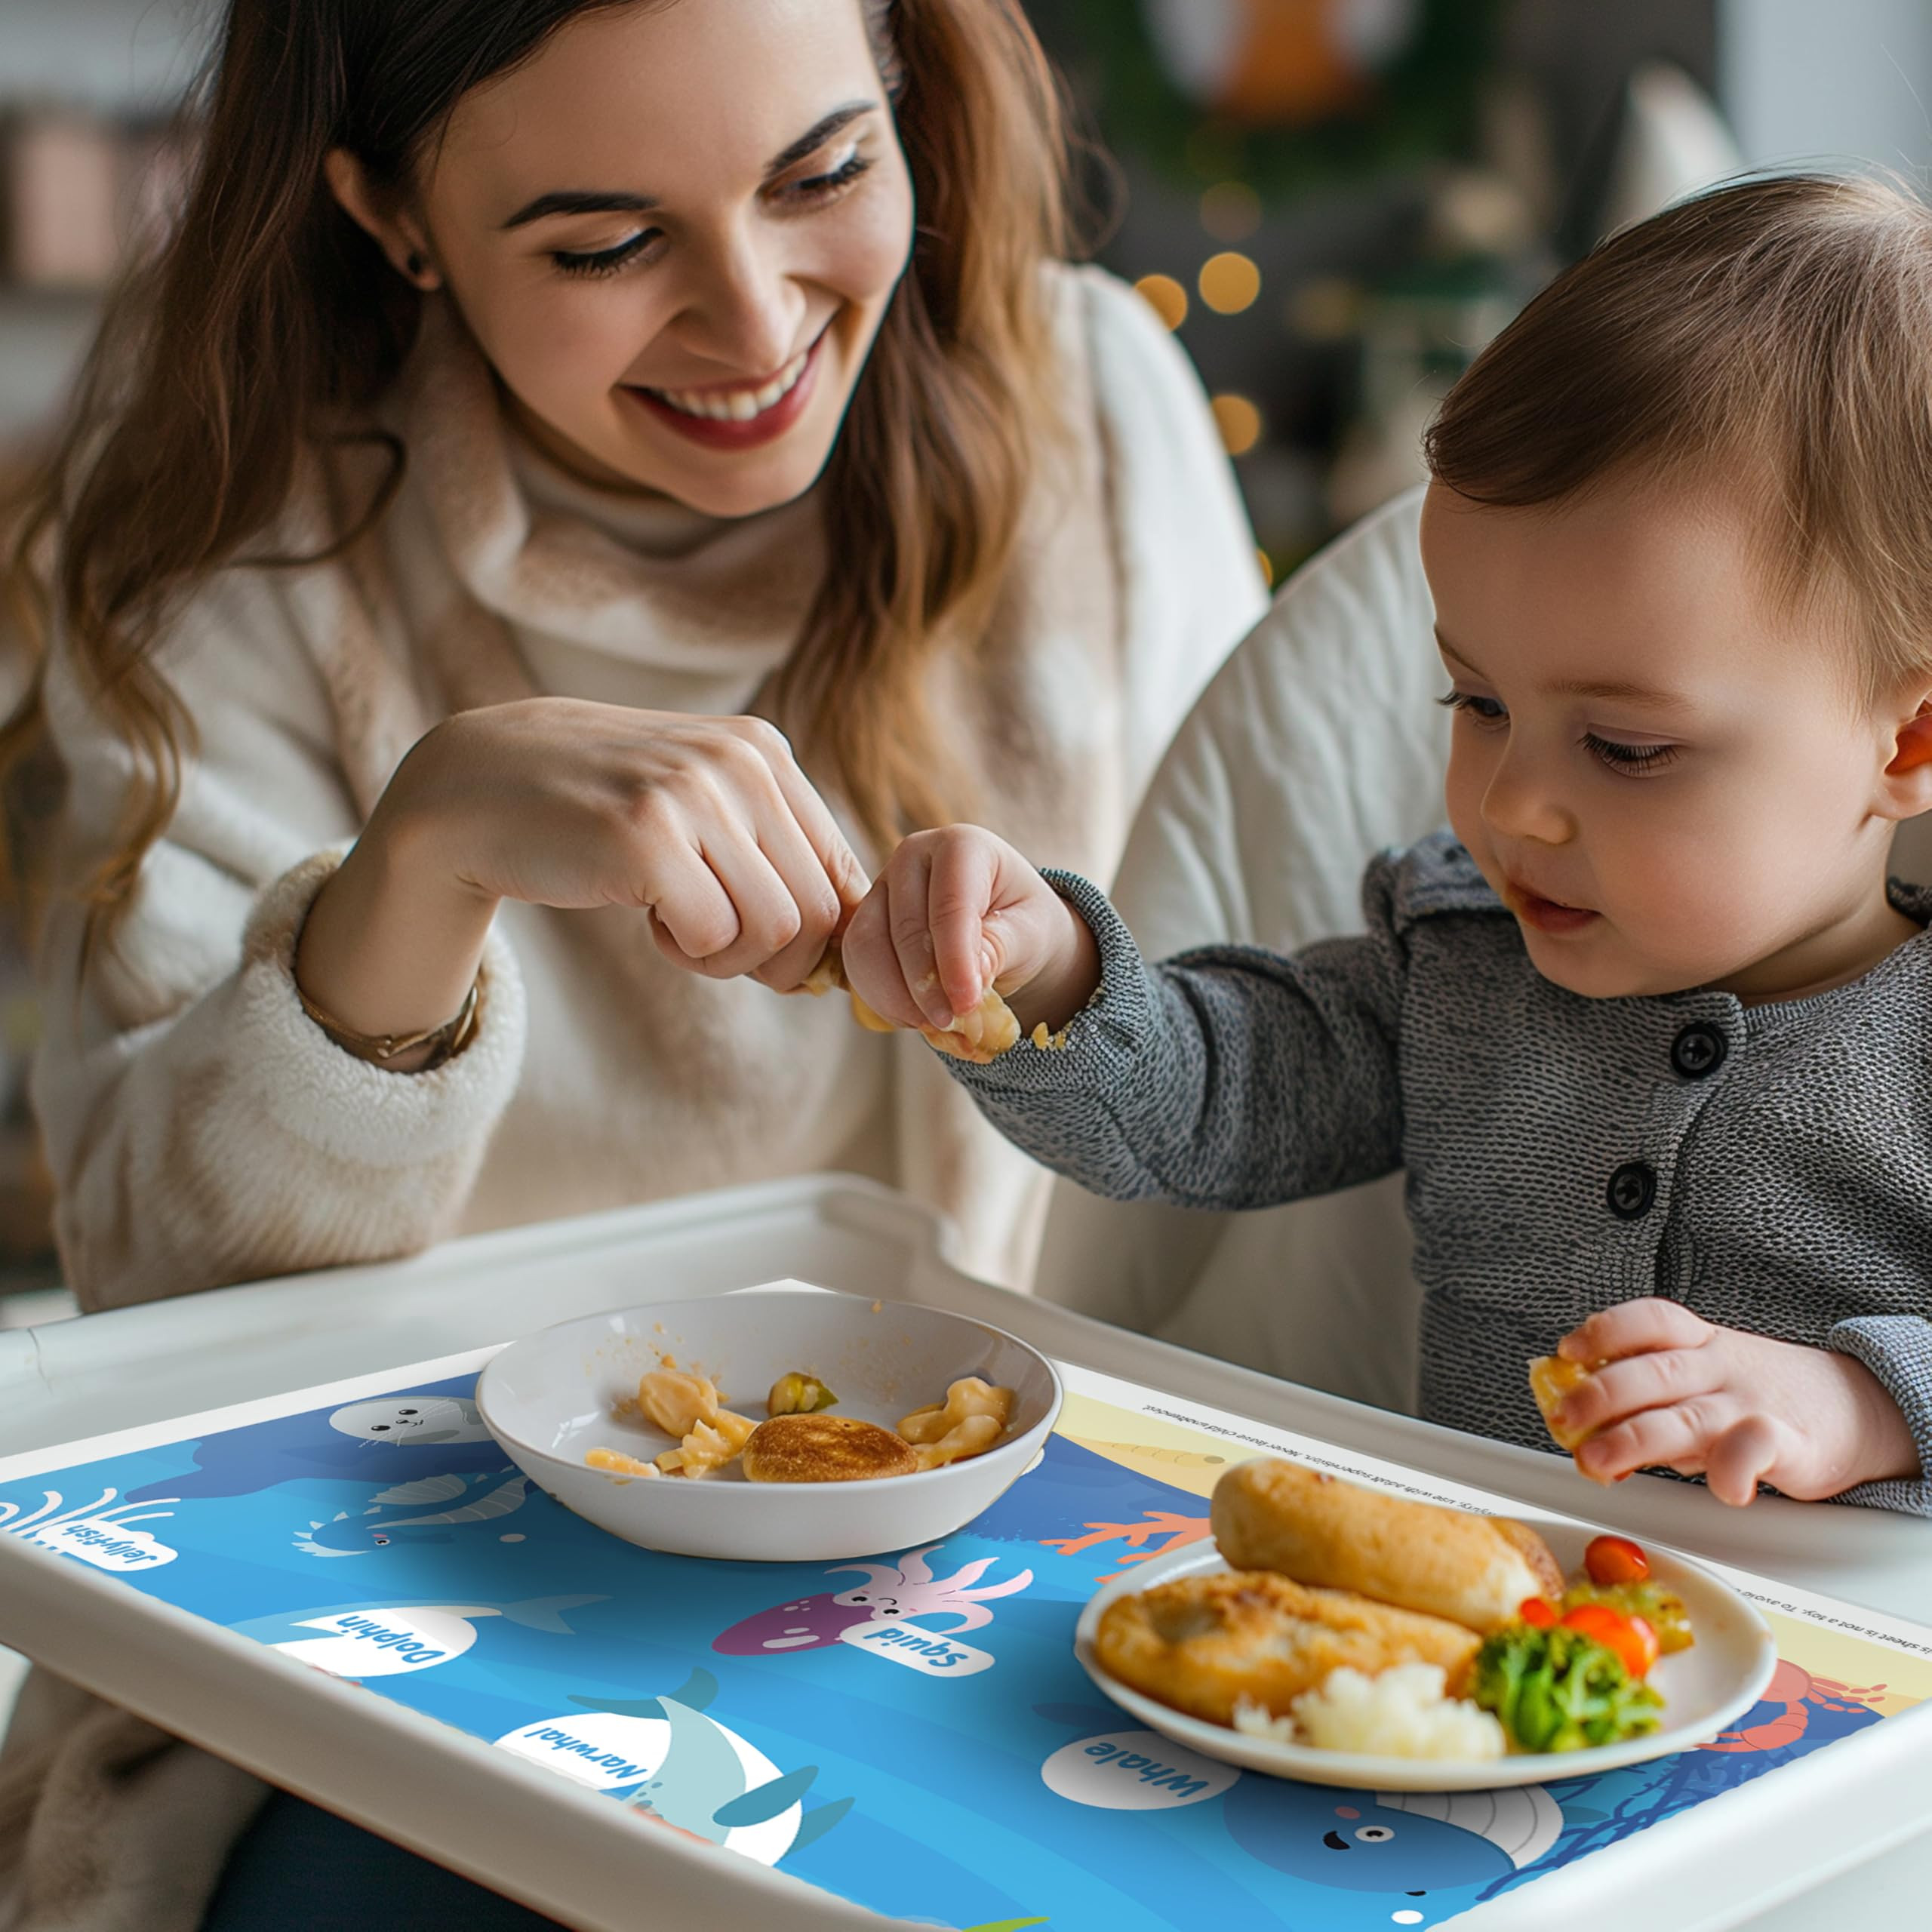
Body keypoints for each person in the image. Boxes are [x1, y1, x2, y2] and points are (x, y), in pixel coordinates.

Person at [0, 2, 1263, 1924]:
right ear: (390, 213)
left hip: (1023, 1603)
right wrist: (415, 870)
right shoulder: (238, 539)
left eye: (825, 172)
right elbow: (175, 1326)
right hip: (388, 1655)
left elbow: (1267, 1074)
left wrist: (1083, 976)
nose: (755, 328)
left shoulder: (1094, 406)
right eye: (603, 244)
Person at [844, 172, 1932, 1518]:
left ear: (1907, 746)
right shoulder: (1457, 957)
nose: (1513, 803)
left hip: (1865, 1696)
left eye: (1628, 749)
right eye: (1477, 703)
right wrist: (1051, 972)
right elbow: (1212, 1099)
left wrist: (1866, 1404)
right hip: (1467, 1658)